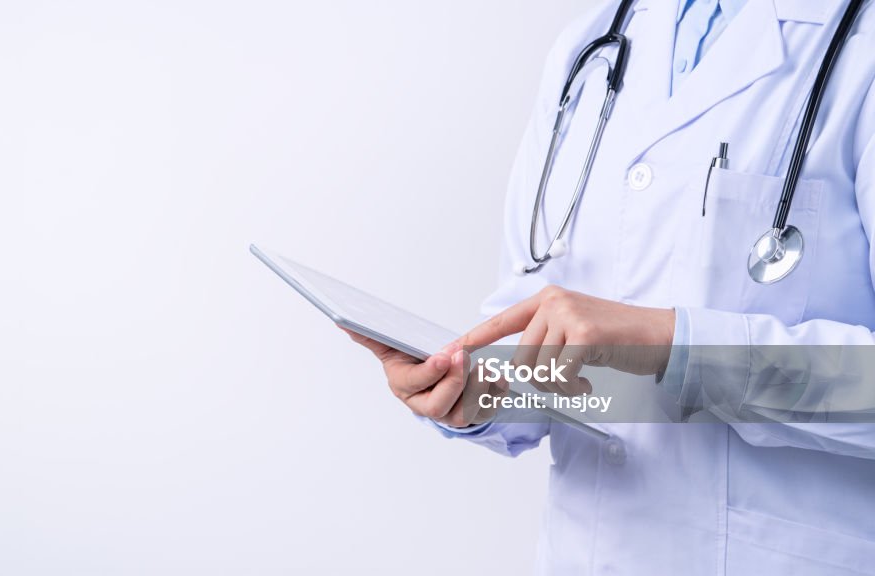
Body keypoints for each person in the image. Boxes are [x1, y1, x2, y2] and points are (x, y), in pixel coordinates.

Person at [347, 0, 875, 574]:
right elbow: (549, 334)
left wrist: (673, 344)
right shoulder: (592, 46)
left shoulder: (860, 49)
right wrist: (472, 389)